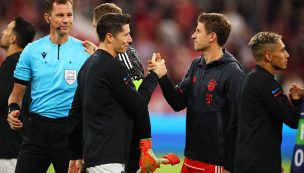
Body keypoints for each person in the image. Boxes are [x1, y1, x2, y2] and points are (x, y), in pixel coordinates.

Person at [78, 3, 180, 173]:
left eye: (97, 26)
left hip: (121, 142)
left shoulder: (124, 56)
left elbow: (138, 102)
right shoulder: (107, 59)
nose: (96, 32)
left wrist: (146, 144)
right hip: (108, 144)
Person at [147, 12, 244, 173]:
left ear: (212, 36)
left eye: (198, 31)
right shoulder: (196, 65)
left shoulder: (232, 72)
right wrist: (162, 77)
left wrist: (231, 166)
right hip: (191, 158)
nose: (193, 36)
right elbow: (178, 103)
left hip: (216, 163)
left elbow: (241, 120)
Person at [7, 0, 90, 172]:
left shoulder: (85, 51)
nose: (66, 20)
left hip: (71, 133)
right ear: (47, 17)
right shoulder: (31, 51)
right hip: (37, 132)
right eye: (60, 15)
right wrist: (12, 110)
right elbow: (16, 95)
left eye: (69, 14)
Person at [227, 31, 304, 173]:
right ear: (268, 56)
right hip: (260, 165)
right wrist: (299, 101)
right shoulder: (267, 84)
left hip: (243, 164)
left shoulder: (246, 80)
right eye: (282, 50)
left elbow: (232, 129)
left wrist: (229, 166)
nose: (287, 55)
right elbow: (294, 120)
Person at [0, 16, 35, 173]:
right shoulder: (28, 64)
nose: (3, 32)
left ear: (13, 38)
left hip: (10, 151)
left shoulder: (12, 65)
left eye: (7, 30)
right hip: (24, 147)